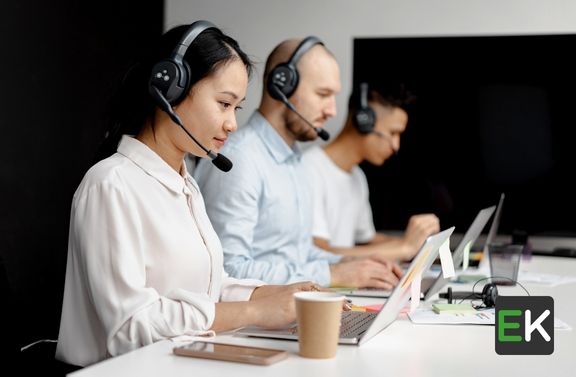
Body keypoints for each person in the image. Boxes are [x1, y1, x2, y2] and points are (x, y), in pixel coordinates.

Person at [56, 21, 322, 367]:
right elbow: (129, 328)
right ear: (170, 87)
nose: (232, 124)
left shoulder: (185, 182)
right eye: (224, 104)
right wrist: (256, 310)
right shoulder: (111, 184)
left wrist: (272, 294)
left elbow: (204, 288)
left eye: (236, 108)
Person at [194, 37, 402, 289]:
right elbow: (227, 270)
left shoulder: (295, 161)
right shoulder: (240, 160)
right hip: (249, 324)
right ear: (282, 84)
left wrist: (353, 264)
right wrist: (332, 275)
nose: (332, 111)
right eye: (323, 94)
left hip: (291, 312)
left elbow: (300, 255)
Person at [302, 82, 440, 261]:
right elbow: (319, 253)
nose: (396, 146)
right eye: (393, 133)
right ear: (363, 121)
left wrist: (420, 243)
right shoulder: (309, 169)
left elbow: (367, 241)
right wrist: (404, 249)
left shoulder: (357, 176)